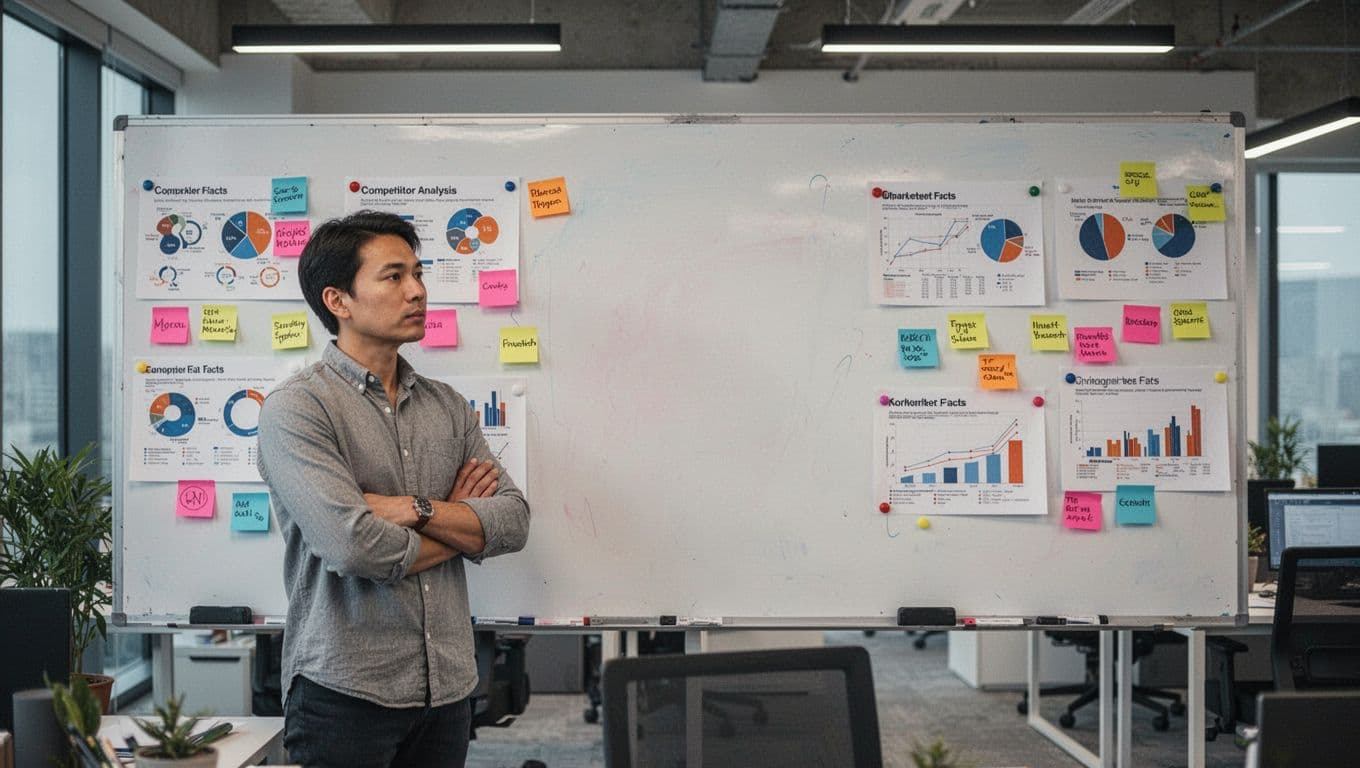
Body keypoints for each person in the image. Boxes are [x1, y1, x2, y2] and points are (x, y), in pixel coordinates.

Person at [257, 210, 530, 768]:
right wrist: (462, 526)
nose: (418, 291)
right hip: (345, 692)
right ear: (338, 301)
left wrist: (416, 509)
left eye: (419, 274)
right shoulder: (298, 409)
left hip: (447, 688)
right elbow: (354, 547)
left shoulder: (447, 406)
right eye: (394, 276)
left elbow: (513, 521)